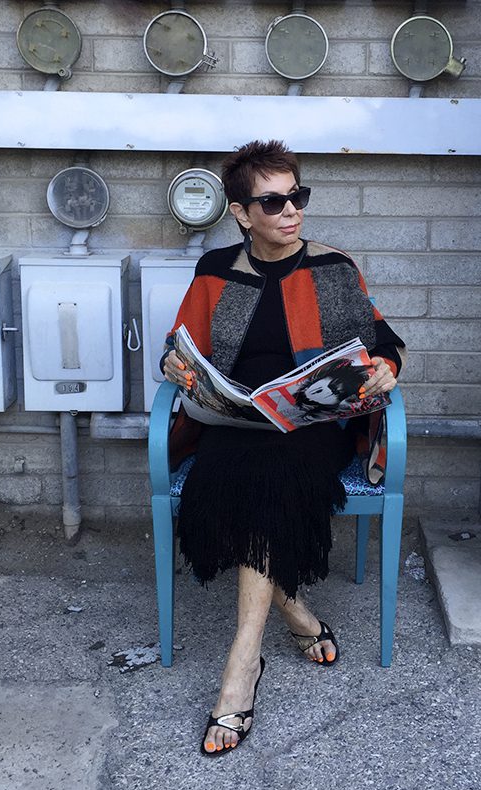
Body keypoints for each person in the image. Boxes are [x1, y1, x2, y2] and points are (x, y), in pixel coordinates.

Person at [161, 140, 406, 757]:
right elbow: (182, 342)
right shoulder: (217, 269)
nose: (291, 211)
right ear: (242, 213)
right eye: (273, 202)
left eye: (297, 196)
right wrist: (176, 364)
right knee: (236, 473)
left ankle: (242, 665)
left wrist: (384, 369)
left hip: (313, 427)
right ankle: (294, 609)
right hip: (239, 420)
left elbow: (382, 340)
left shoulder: (333, 267)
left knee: (269, 474)